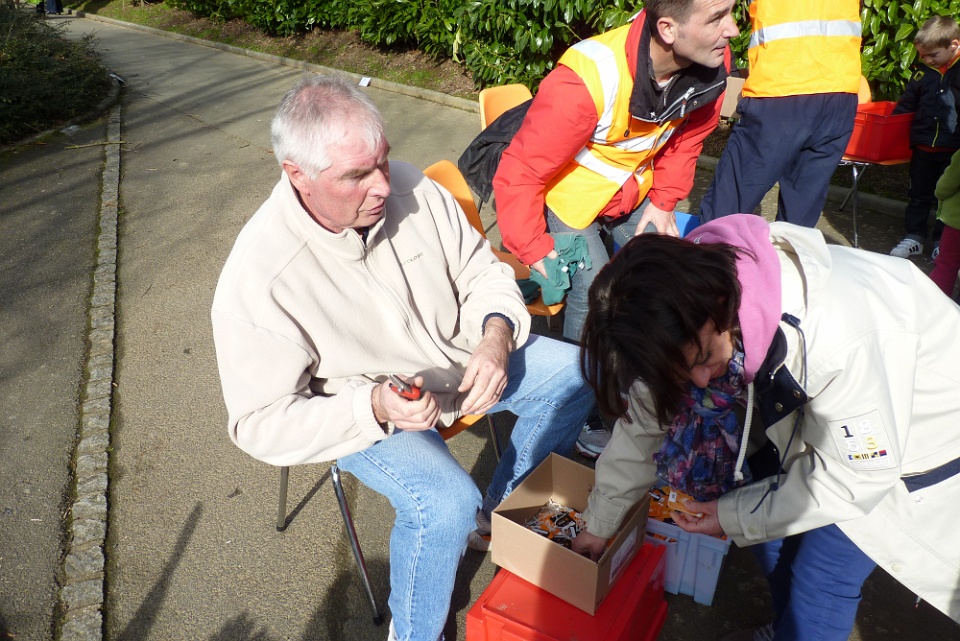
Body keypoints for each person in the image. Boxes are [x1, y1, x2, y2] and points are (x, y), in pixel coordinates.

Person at [210, 75, 594, 641]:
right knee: (444, 503)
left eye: (383, 161)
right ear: (297, 175)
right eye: (356, 176)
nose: (384, 186)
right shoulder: (259, 278)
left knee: (581, 375)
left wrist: (495, 334)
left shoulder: (412, 186)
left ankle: (495, 515)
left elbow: (483, 271)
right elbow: (258, 422)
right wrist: (373, 406)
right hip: (366, 410)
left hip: (462, 358)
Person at [571, 215, 960, 640]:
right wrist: (599, 524)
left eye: (704, 358)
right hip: (797, 431)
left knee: (822, 577)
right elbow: (643, 426)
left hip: (905, 445)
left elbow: (858, 476)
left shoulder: (840, 335)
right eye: (682, 371)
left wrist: (731, 514)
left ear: (721, 303)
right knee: (765, 536)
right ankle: (787, 627)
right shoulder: (672, 315)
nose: (700, 381)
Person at [493, 0, 738, 457]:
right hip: (568, 193)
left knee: (667, 273)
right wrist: (533, 246)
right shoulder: (587, 79)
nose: (734, 29)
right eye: (717, 17)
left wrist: (664, 201)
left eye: (731, 12)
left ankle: (647, 381)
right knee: (592, 290)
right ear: (668, 29)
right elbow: (522, 171)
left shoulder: (711, 66)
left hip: (630, 189)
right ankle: (578, 403)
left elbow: (685, 141)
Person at [698, 0, 862, 228]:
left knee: (728, 206)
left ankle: (711, 249)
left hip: (781, 89)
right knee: (799, 218)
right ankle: (788, 250)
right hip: (840, 92)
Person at [889, 15, 960, 260]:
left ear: (954, 45)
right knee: (918, 195)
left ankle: (942, 242)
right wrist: (891, 124)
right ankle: (914, 236)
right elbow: (907, 104)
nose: (927, 60)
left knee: (947, 199)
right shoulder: (922, 74)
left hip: (953, 150)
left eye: (933, 55)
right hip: (923, 147)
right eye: (923, 56)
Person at [930, 148, 960, 298]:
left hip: (957, 222)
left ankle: (934, 301)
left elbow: (946, 185)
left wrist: (939, 193)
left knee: (946, 265)